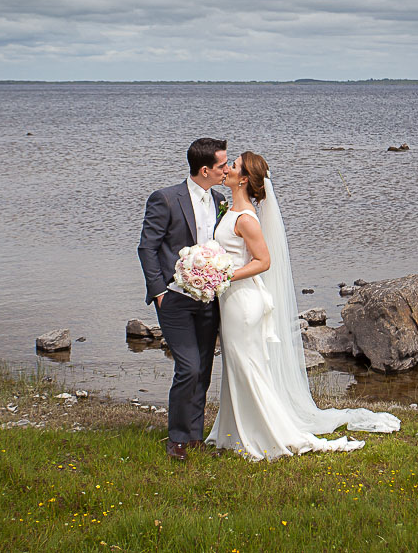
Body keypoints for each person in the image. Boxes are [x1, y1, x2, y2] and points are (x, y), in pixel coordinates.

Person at [207, 151, 400, 460]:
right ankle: (235, 433)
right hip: (231, 300)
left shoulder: (246, 218)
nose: (227, 169)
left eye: (234, 166)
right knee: (237, 367)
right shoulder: (230, 210)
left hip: (243, 303)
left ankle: (269, 434)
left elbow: (264, 261)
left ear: (243, 179)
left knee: (249, 368)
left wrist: (225, 273)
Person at [138, 138, 230, 461]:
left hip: (209, 300)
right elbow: (146, 248)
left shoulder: (219, 200)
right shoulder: (164, 199)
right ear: (204, 169)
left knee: (203, 370)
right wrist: (159, 293)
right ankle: (176, 439)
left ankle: (195, 438)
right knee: (188, 368)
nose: (226, 170)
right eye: (222, 166)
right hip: (174, 300)